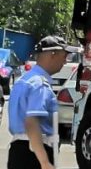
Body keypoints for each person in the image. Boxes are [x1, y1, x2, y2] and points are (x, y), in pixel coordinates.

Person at [7, 36, 81, 169]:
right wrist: (44, 162)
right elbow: (31, 122)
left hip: (18, 151)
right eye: (65, 56)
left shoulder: (24, 80)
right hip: (33, 153)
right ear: (53, 54)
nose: (65, 61)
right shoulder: (40, 84)